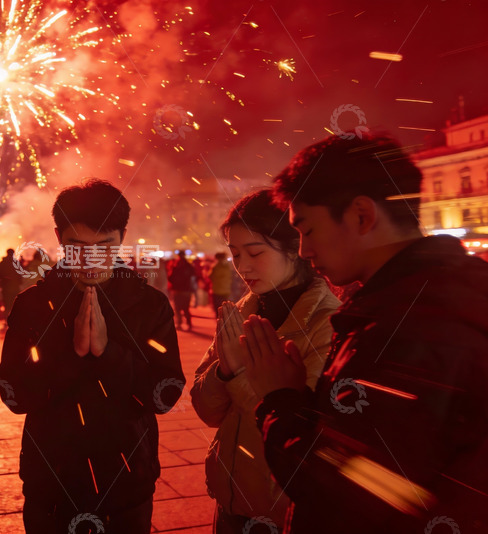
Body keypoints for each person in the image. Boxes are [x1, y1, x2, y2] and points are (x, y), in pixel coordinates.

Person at [242, 133, 488, 533]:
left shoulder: (409, 326)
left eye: (307, 229)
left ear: (361, 216)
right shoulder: (442, 294)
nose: (304, 250)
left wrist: (280, 401)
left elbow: (344, 492)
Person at [0, 179, 184, 534]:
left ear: (122, 238)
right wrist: (71, 357)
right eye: (76, 246)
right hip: (51, 481)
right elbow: (14, 394)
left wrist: (108, 353)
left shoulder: (149, 305)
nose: (90, 259)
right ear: (58, 237)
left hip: (127, 481)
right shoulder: (33, 305)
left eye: (104, 245)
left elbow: (165, 394)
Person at [190, 189, 340, 533]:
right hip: (229, 499)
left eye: (255, 252)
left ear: (295, 247)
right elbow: (207, 411)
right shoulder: (242, 312)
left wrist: (238, 373)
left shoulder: (326, 323)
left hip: (281, 508)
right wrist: (223, 371)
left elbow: (294, 426)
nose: (242, 267)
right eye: (235, 254)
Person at [168, 250, 195, 330]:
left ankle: (179, 323)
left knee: (177, 308)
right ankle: (189, 324)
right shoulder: (189, 266)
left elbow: (170, 277)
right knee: (186, 308)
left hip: (177, 290)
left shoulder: (176, 265)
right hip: (187, 290)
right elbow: (193, 277)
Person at [0, 248, 23, 318]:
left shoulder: (3, 262)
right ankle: (14, 317)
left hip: (6, 285)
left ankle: (7, 317)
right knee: (14, 302)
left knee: (6, 302)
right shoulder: (16, 262)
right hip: (14, 285)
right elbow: (20, 273)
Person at [208, 252, 232, 318]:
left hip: (217, 290)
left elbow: (210, 276)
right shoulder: (228, 267)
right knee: (224, 306)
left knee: (217, 307)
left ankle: (218, 319)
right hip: (226, 290)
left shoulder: (215, 266)